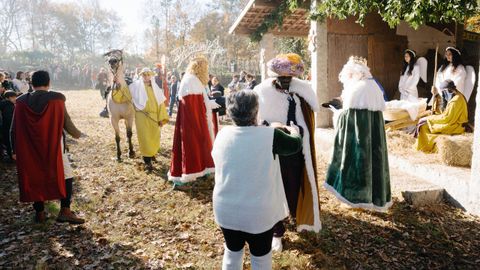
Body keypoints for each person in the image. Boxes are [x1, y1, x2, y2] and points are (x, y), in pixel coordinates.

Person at [212, 90, 302, 270]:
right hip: (258, 212)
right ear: (256, 110)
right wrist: (293, 130)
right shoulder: (271, 136)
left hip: (226, 209)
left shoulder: (222, 134)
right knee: (260, 259)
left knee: (232, 253)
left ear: (230, 112)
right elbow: (295, 144)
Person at [254, 53, 321, 252]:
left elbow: (307, 123)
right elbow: (256, 119)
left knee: (292, 187)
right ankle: (276, 231)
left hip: (294, 153)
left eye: (288, 78)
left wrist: (297, 131)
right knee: (272, 189)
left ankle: (295, 214)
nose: (284, 82)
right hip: (271, 150)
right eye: (280, 78)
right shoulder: (262, 91)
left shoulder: (303, 91)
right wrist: (269, 127)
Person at [11, 70, 85, 224]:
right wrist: (78, 135)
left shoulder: (21, 101)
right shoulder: (57, 99)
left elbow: (14, 128)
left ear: (32, 83)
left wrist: (14, 150)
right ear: (49, 82)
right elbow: (66, 121)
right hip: (54, 146)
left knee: (35, 176)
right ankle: (65, 210)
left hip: (30, 148)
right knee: (66, 175)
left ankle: (39, 213)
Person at [324, 56, 392, 212]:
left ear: (355, 74)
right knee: (374, 162)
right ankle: (375, 199)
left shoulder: (357, 89)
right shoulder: (373, 86)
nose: (347, 79)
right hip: (373, 139)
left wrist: (337, 113)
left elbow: (349, 119)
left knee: (357, 164)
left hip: (358, 139)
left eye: (349, 75)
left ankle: (356, 198)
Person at [169, 56, 220, 186]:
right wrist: (209, 105)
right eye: (205, 67)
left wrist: (209, 103)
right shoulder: (191, 81)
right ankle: (191, 174)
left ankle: (201, 171)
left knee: (197, 146)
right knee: (193, 146)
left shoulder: (193, 79)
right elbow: (194, 107)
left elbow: (199, 103)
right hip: (193, 123)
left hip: (195, 121)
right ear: (200, 67)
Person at [128, 68, 169, 172]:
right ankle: (147, 162)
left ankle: (152, 154)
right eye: (144, 75)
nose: (146, 77)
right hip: (141, 116)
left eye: (148, 75)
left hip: (154, 117)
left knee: (154, 137)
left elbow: (160, 104)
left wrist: (161, 118)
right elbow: (127, 94)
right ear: (141, 76)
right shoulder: (135, 87)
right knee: (144, 138)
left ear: (151, 76)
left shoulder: (156, 89)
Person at [415, 80, 468, 153]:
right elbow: (444, 110)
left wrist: (428, 119)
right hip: (451, 122)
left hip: (455, 125)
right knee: (425, 122)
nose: (443, 95)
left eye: (443, 92)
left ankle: (426, 149)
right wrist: (436, 95)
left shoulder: (456, 101)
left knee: (424, 126)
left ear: (448, 91)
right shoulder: (455, 95)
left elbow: (446, 118)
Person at [0, 91, 17, 161]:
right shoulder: (8, 105)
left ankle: (10, 155)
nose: (15, 99)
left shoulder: (4, 104)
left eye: (15, 97)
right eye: (12, 97)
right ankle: (11, 156)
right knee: (10, 142)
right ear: (7, 98)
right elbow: (9, 118)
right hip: (8, 127)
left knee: (7, 141)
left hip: (4, 127)